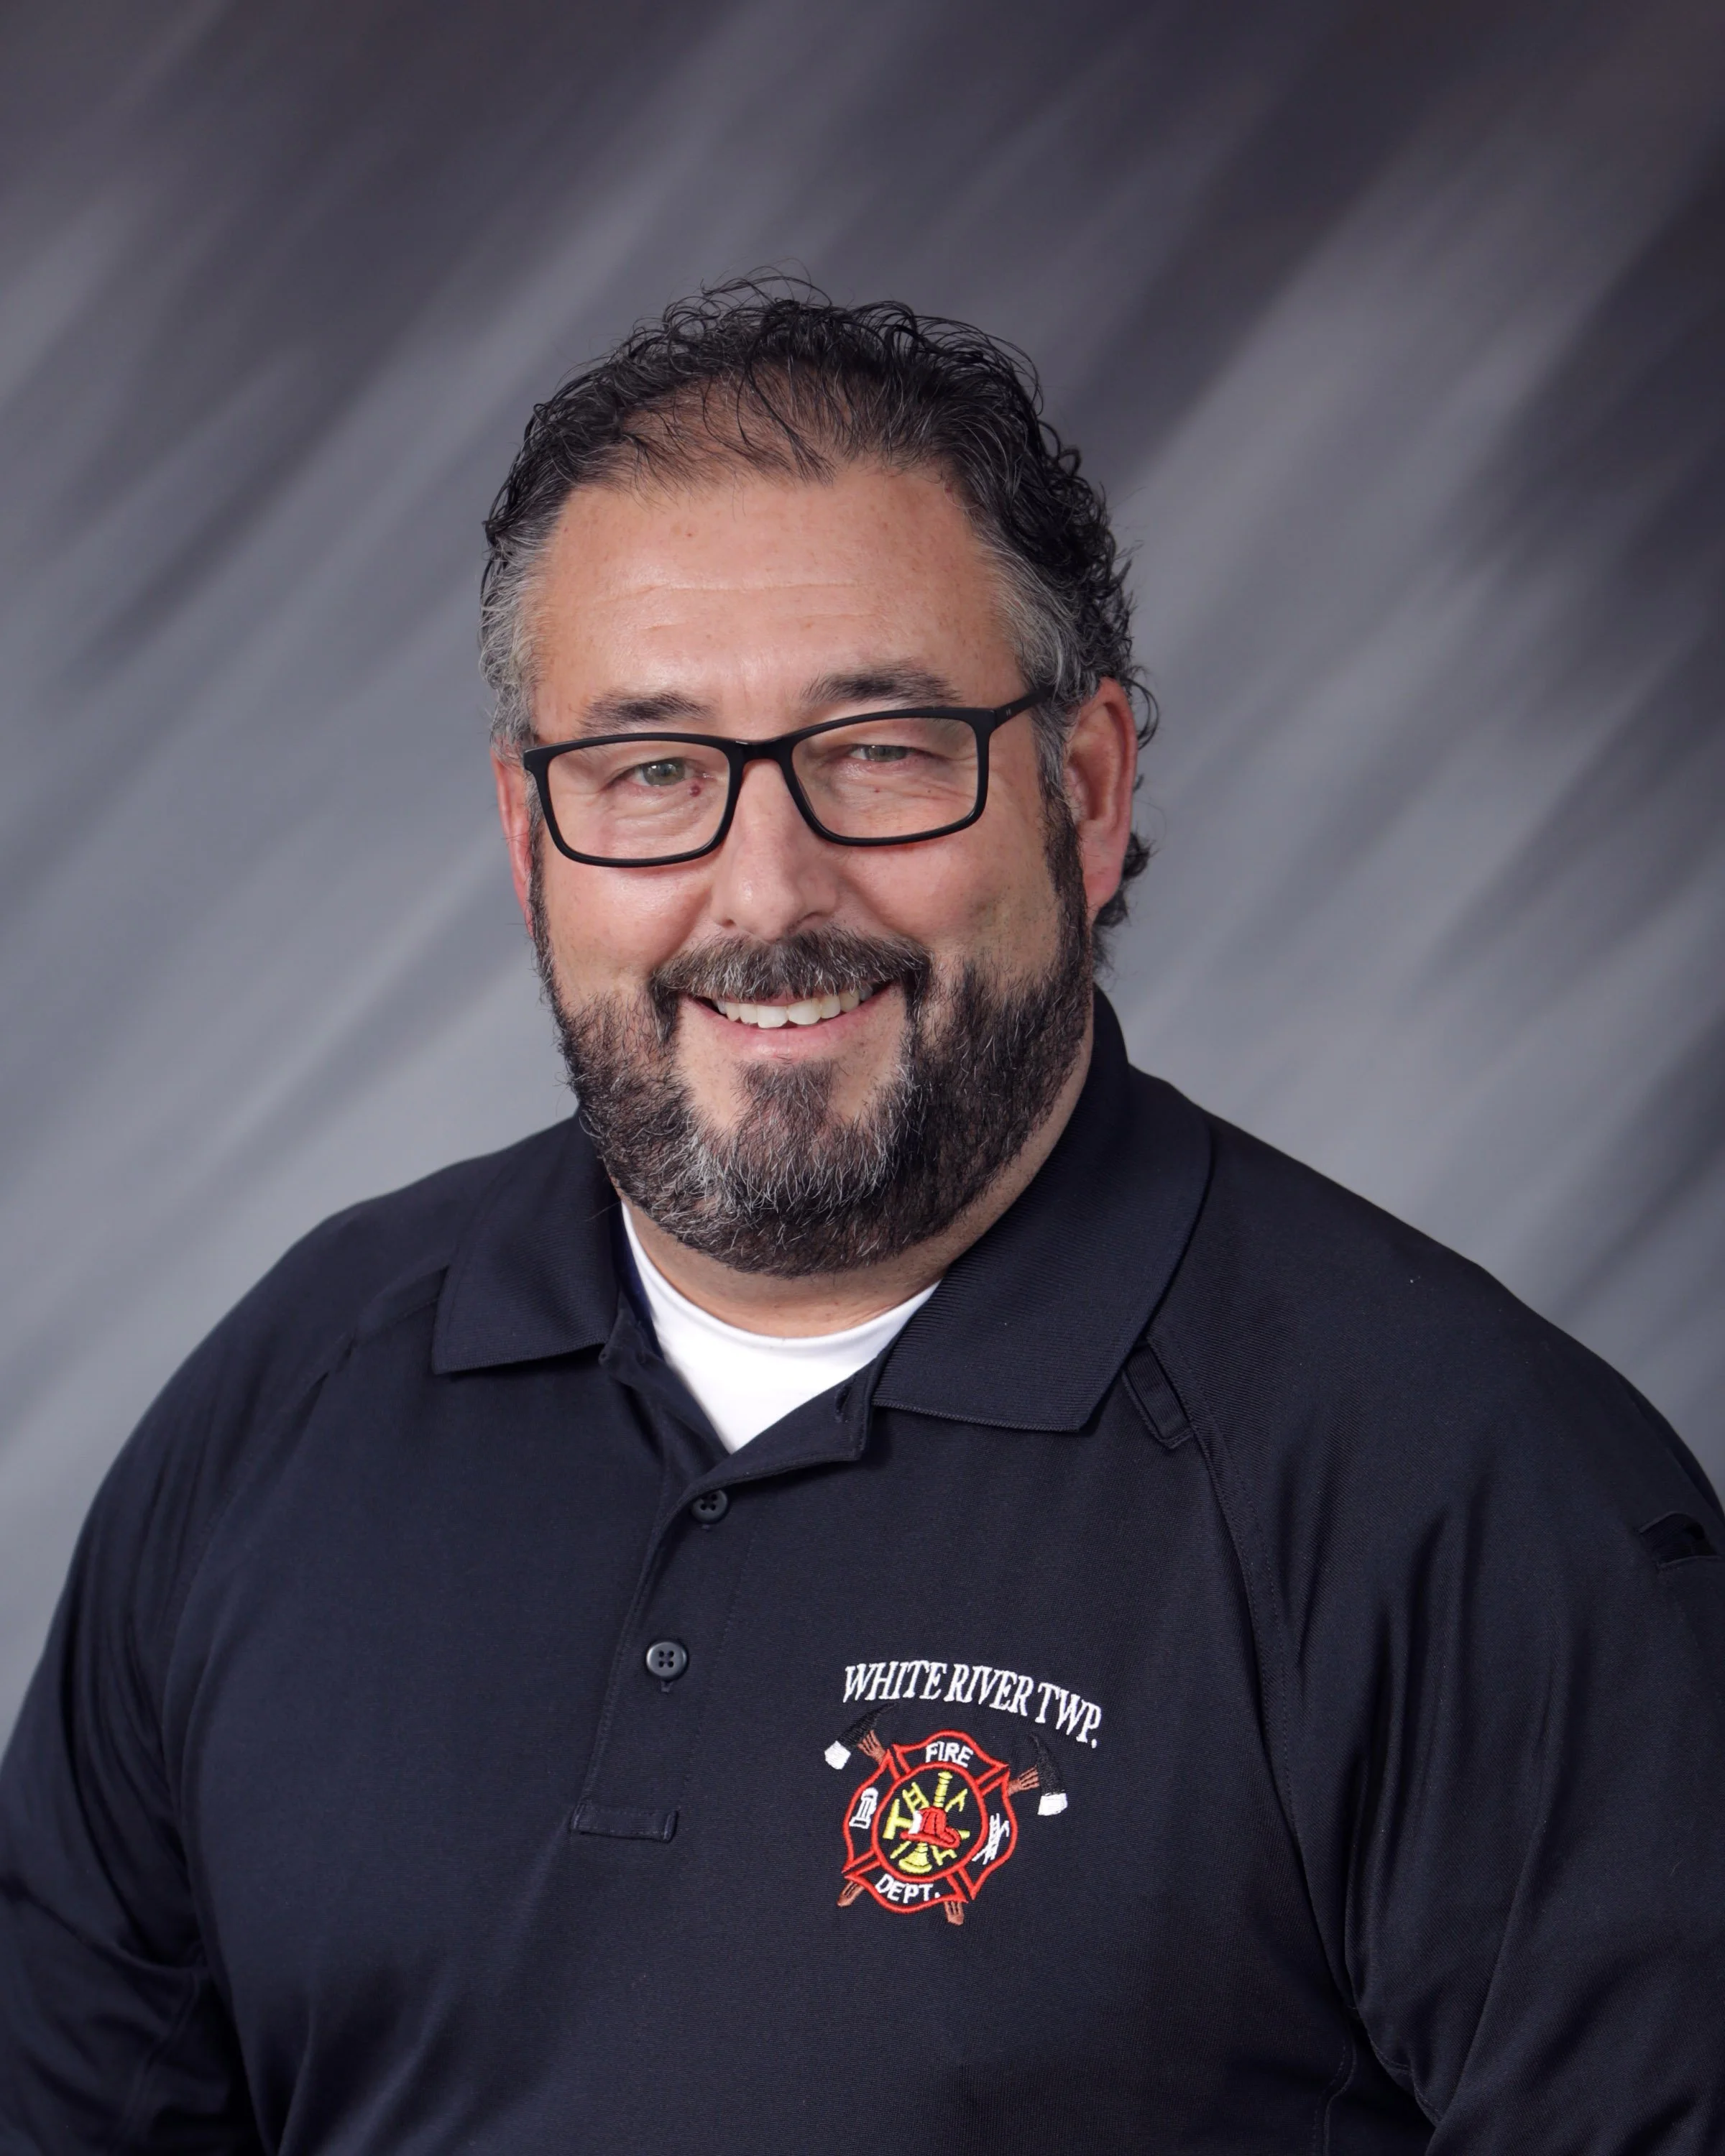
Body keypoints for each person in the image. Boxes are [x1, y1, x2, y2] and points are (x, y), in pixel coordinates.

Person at [2, 283, 1721, 2155]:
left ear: (1083, 792)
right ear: (528, 835)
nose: (766, 893)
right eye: (651, 770)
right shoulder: (297, 1396)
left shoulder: (1468, 1504)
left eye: (882, 749)